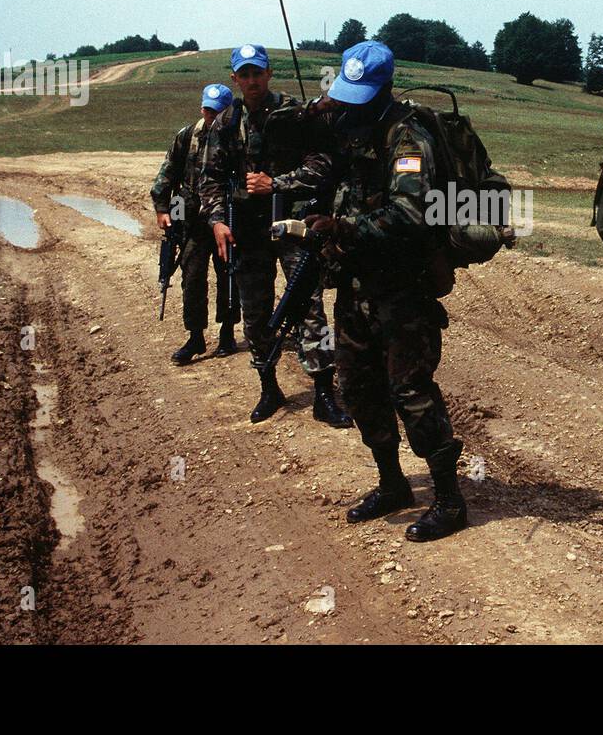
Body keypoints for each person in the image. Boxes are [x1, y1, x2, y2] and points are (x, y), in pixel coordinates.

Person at [303, 41, 467, 543]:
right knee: (359, 389)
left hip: (402, 291)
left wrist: (345, 227)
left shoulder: (408, 139)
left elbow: (411, 214)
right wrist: (320, 109)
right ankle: (392, 484)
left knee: (411, 393)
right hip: (355, 287)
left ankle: (449, 500)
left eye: (359, 96)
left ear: (385, 90)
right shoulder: (354, 126)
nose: (351, 105)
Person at [199, 44, 351, 429]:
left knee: (309, 307)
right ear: (234, 79)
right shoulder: (226, 122)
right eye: (244, 74)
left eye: (257, 73)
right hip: (247, 232)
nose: (251, 80)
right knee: (254, 312)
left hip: (293, 226)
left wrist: (277, 184)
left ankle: (323, 395)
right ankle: (269, 388)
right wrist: (218, 220)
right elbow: (210, 179)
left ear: (269, 74)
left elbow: (322, 164)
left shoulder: (293, 113)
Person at [151, 83, 240, 363]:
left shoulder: (236, 139)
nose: (211, 115)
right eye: (207, 109)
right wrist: (163, 208)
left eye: (217, 111)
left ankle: (227, 332)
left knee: (228, 276)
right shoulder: (186, 136)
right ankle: (195, 337)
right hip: (191, 220)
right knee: (192, 278)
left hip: (225, 217)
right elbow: (167, 174)